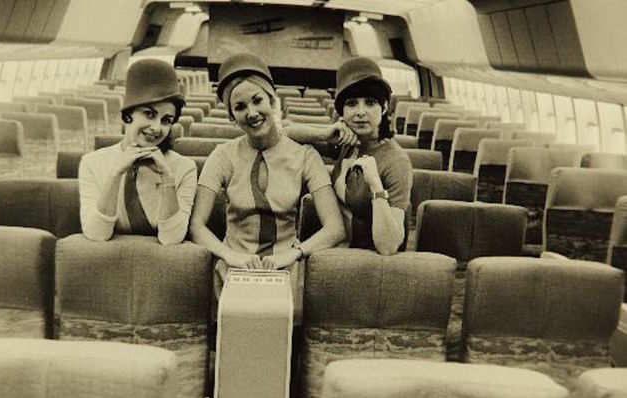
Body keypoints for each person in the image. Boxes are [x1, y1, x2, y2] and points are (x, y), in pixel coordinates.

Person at [189, 53, 345, 295]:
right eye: (240, 107)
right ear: (232, 117)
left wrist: (293, 254)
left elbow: (335, 228)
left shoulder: (305, 156)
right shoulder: (222, 156)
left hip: (287, 267)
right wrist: (230, 256)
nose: (251, 113)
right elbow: (196, 225)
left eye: (257, 100)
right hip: (231, 266)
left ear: (273, 101)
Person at [288, 57, 412, 255]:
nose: (360, 112)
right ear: (342, 111)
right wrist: (324, 133)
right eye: (352, 104)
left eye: (370, 103)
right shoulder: (345, 144)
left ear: (384, 108)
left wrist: (375, 185)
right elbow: (284, 135)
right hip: (331, 251)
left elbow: (388, 247)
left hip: (366, 262)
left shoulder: (396, 162)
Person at [79, 59, 197, 244]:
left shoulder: (184, 168)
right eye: (149, 114)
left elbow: (171, 239)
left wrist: (168, 178)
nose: (157, 128)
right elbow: (96, 234)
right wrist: (116, 174)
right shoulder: (92, 163)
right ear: (128, 115)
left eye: (166, 120)